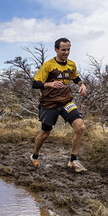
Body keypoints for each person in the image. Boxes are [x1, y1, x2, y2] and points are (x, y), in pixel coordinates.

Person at [29, 37, 88, 172]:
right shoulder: (48, 65)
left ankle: (73, 160)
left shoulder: (71, 64)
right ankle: (34, 155)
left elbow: (75, 77)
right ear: (56, 49)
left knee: (80, 128)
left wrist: (82, 84)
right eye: (63, 50)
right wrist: (49, 84)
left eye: (68, 49)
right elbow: (35, 83)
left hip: (66, 101)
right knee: (45, 134)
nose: (66, 52)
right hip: (49, 104)